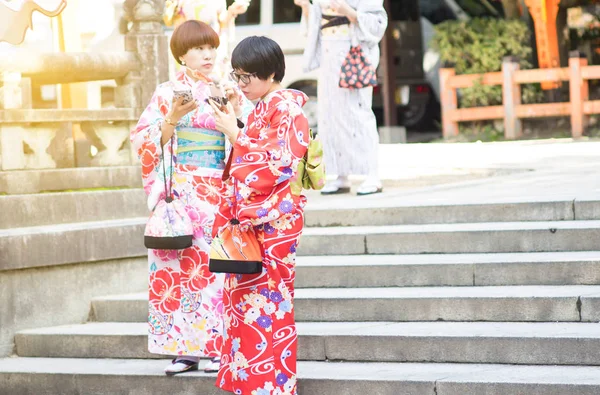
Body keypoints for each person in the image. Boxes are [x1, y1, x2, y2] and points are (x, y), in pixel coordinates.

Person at [130, 20, 252, 376]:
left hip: (219, 191)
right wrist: (172, 119)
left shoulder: (227, 90)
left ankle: (217, 347)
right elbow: (143, 142)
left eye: (211, 47)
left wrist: (236, 112)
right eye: (198, 48)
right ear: (181, 54)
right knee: (179, 271)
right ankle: (184, 350)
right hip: (182, 193)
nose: (207, 55)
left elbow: (245, 140)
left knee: (216, 274)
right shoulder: (168, 92)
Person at [209, 36, 309, 395]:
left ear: (270, 72)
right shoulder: (265, 108)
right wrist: (238, 125)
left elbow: (278, 166)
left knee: (268, 308)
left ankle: (271, 387)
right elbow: (248, 156)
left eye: (247, 76)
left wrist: (236, 133)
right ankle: (249, 385)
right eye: (237, 76)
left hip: (273, 225)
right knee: (244, 306)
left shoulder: (288, 109)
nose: (241, 84)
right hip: (253, 223)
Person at [296, 0, 388, 195]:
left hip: (352, 52)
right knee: (330, 115)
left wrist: (349, 12)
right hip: (329, 56)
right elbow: (315, 22)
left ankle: (373, 174)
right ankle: (340, 174)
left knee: (358, 113)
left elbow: (377, 23)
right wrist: (306, 7)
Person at [164, 0, 250, 79]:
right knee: (188, 81)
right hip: (190, 48)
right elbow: (178, 27)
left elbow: (222, 21)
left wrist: (232, 11)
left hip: (212, 45)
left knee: (215, 80)